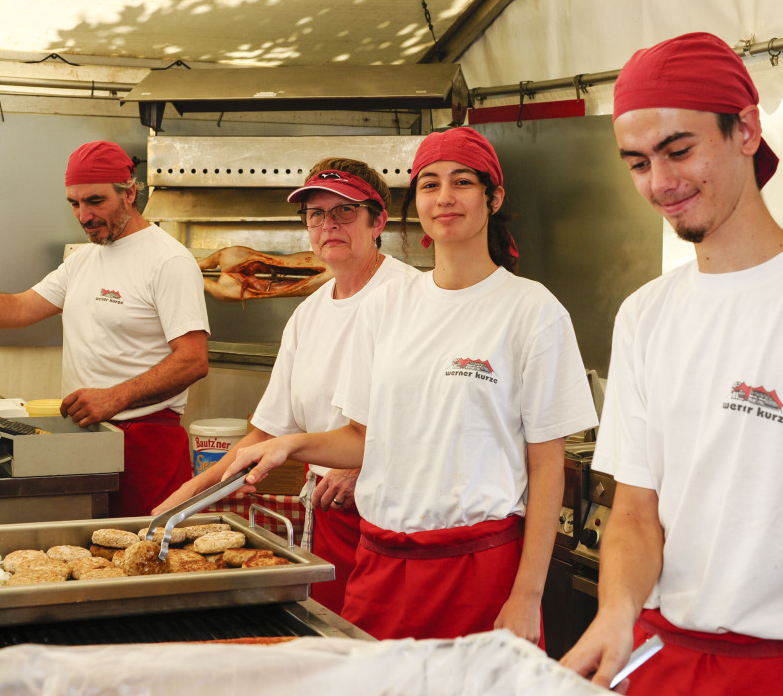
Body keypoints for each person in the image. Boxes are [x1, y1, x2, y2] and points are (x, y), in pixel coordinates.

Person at [224, 127, 597, 642]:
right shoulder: (387, 305)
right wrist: (290, 445)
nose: (444, 197)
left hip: (477, 565)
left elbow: (547, 466)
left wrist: (526, 595)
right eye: (429, 184)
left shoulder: (531, 310)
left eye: (462, 182)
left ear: (494, 197)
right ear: (414, 203)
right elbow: (360, 438)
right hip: (380, 564)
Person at [560, 32, 783, 694]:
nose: (661, 182)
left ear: (746, 130)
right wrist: (615, 611)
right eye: (638, 162)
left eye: (678, 150)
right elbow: (635, 511)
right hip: (663, 653)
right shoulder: (645, 316)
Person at [154, 158, 418, 615]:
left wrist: (366, 464)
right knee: (337, 647)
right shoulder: (308, 315)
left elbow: (436, 420)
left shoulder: (413, 298)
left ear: (379, 221)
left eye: (345, 211)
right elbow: (264, 435)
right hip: (333, 517)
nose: (328, 224)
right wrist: (174, 506)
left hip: (402, 520)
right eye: (317, 213)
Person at [0, 140, 209, 516]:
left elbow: (193, 360)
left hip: (146, 443)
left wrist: (115, 397)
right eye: (74, 203)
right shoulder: (85, 259)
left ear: (130, 193)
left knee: (143, 556)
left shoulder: (168, 260)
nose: (83, 215)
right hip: (88, 433)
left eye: (95, 201)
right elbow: (20, 307)